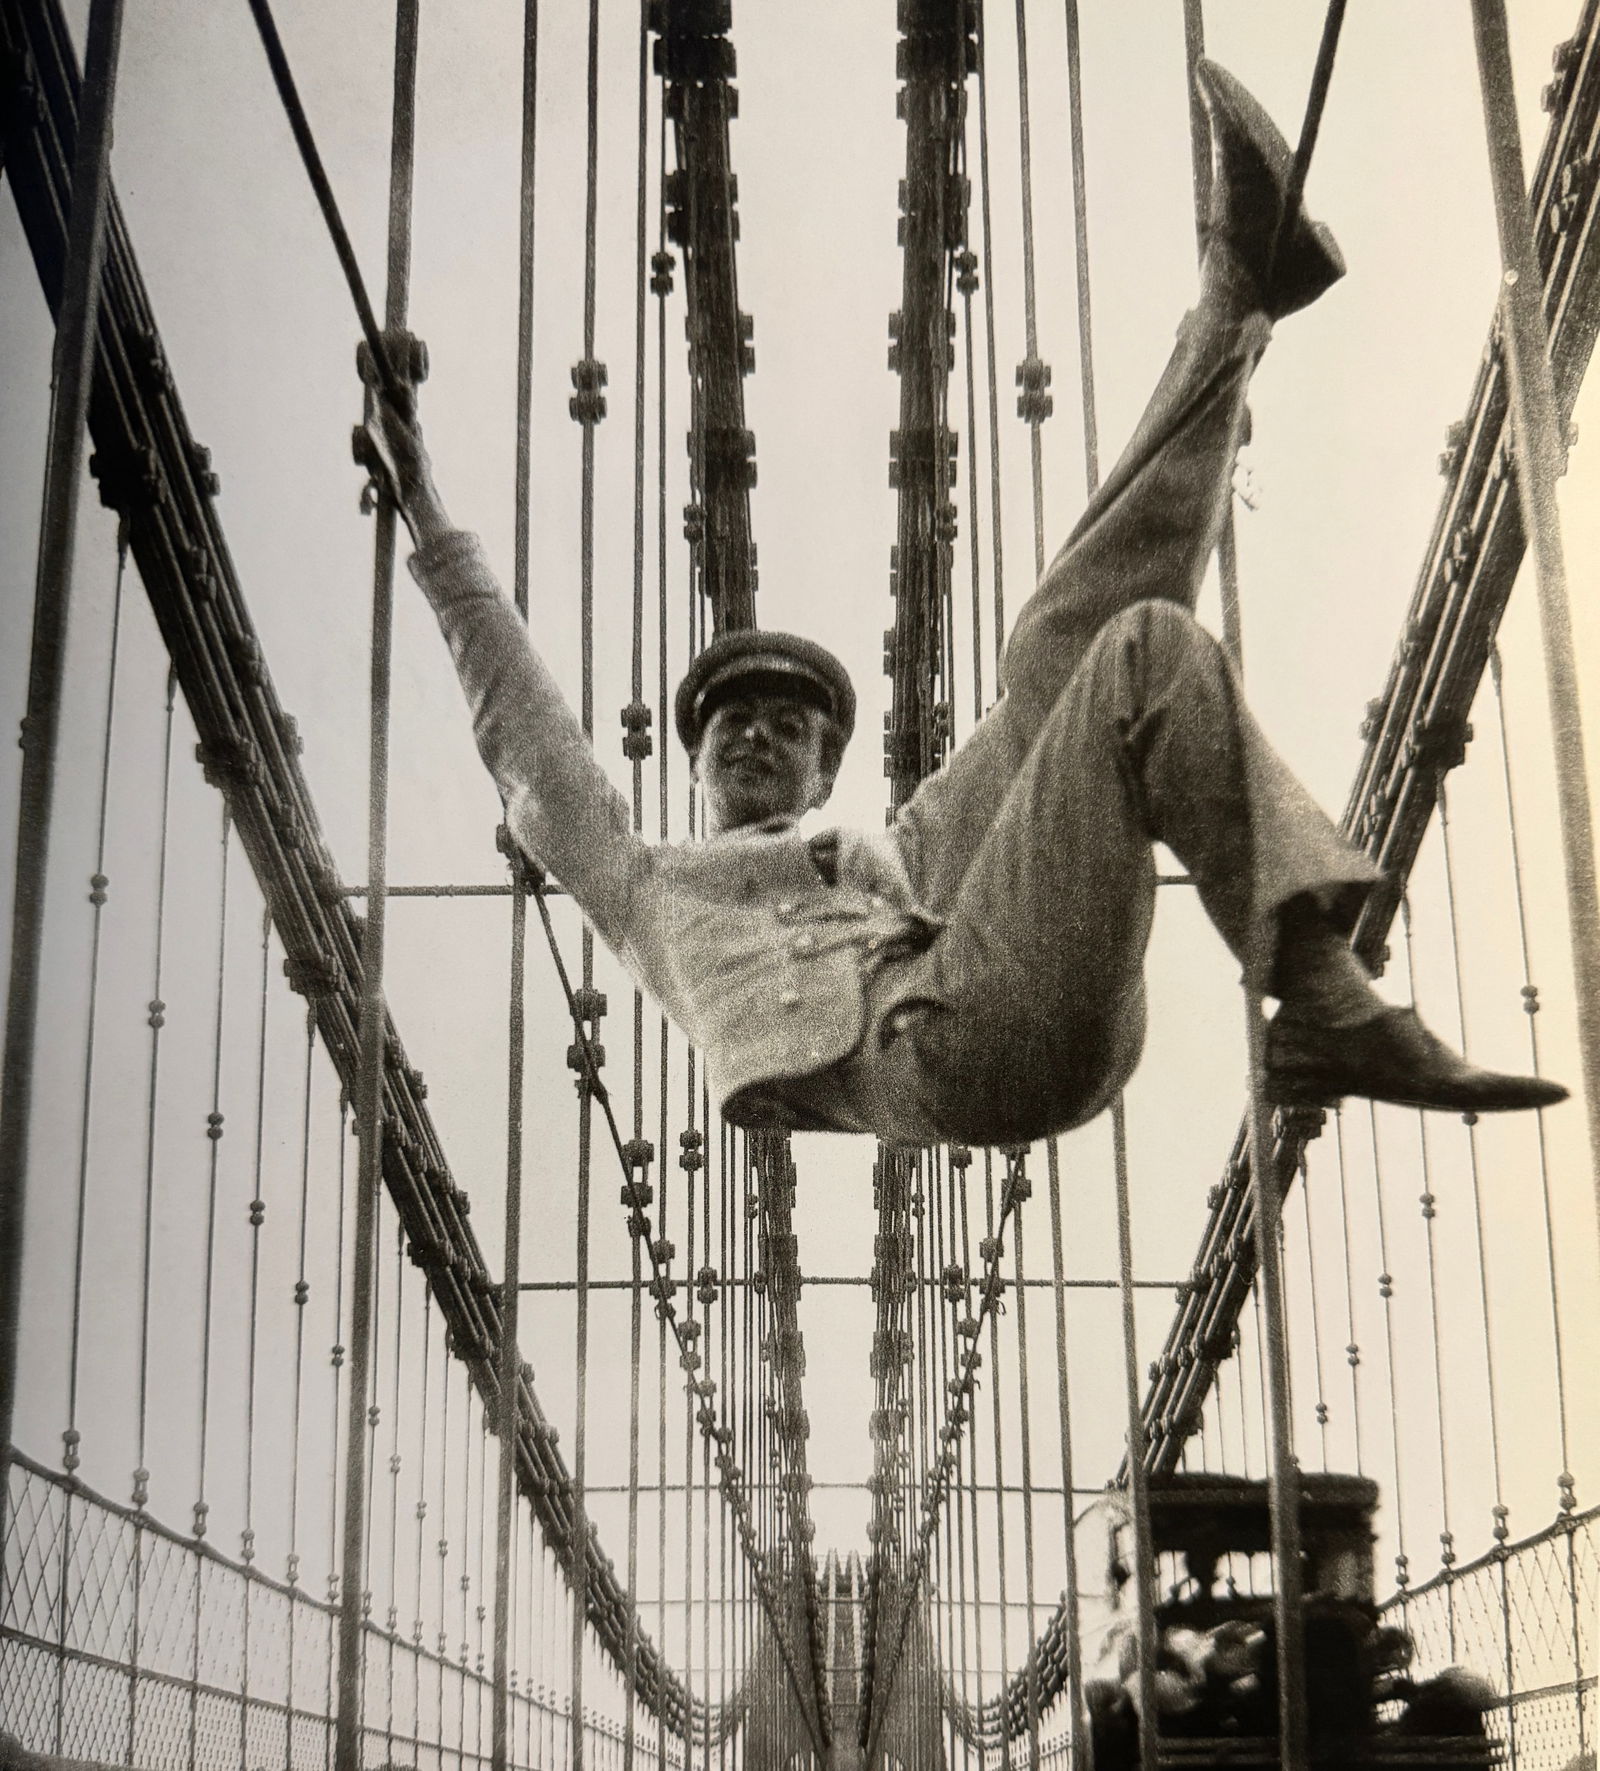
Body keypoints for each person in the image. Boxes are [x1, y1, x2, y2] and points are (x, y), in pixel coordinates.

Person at [369, 60, 1565, 1146]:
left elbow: (1091, 645)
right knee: (1121, 647)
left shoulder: (909, 847)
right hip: (940, 1056)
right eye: (731, 720)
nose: (753, 731)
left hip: (1017, 992)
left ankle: (1235, 299)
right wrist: (428, 515)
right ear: (691, 758)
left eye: (788, 727)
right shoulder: (643, 886)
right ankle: (1240, 287)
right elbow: (533, 748)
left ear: (824, 773)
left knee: (1097, 651)